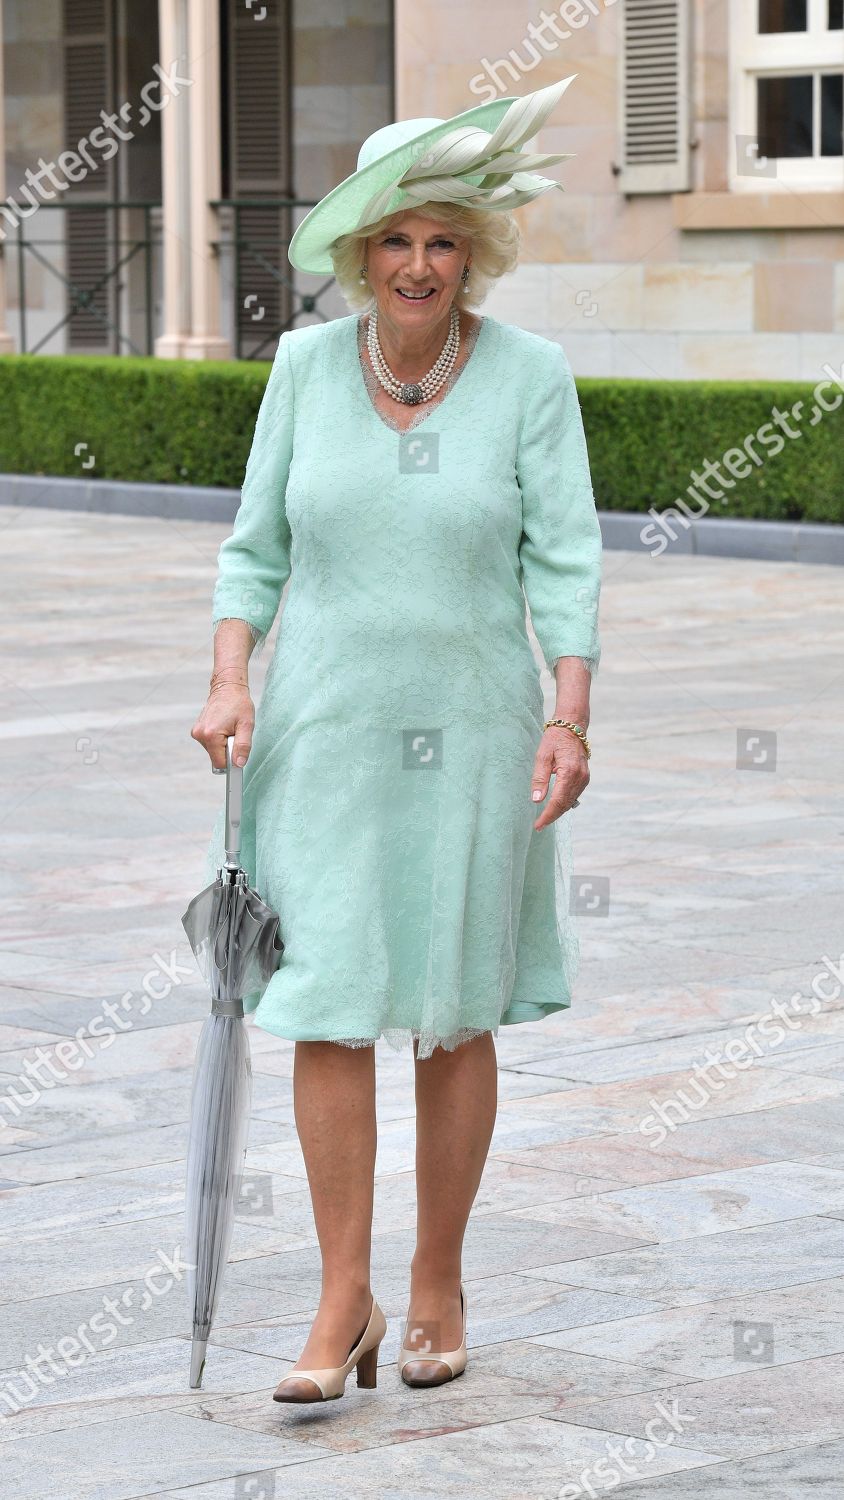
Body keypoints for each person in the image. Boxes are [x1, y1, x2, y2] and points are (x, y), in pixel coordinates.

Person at [190, 76, 602, 1404]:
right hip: (320, 731)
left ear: (469, 254)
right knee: (324, 1009)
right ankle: (338, 1302)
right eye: (395, 239)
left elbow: (568, 566)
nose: (418, 264)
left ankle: (438, 1287)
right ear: (362, 253)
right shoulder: (304, 371)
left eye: (441, 241)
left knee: (451, 1014)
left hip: (478, 731)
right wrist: (226, 683)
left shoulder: (532, 378)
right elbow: (253, 553)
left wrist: (570, 716)